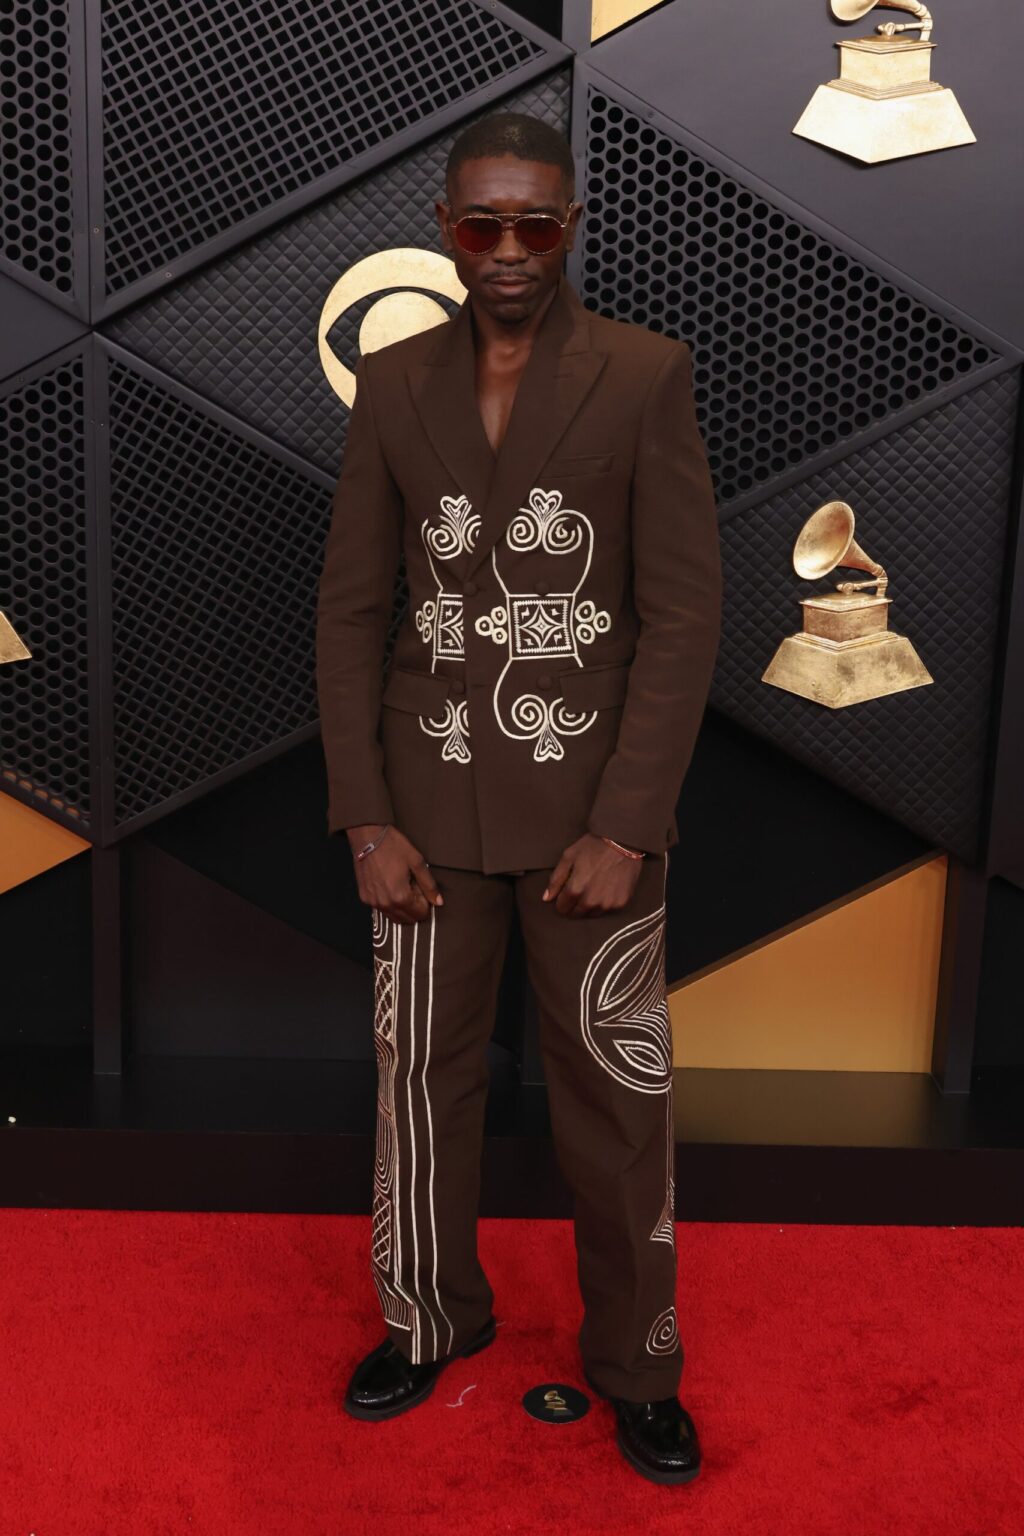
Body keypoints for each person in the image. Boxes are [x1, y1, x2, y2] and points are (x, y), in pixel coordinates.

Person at [315, 110, 722, 1486]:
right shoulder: (394, 377)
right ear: (446, 222)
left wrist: (626, 823)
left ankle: (639, 1368)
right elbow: (352, 610)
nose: (506, 250)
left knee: (616, 1102)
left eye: (533, 224)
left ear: (569, 225)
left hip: (590, 823)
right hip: (422, 816)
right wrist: (366, 815)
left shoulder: (645, 374)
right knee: (417, 1090)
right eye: (481, 223)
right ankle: (429, 1322)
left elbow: (680, 618)